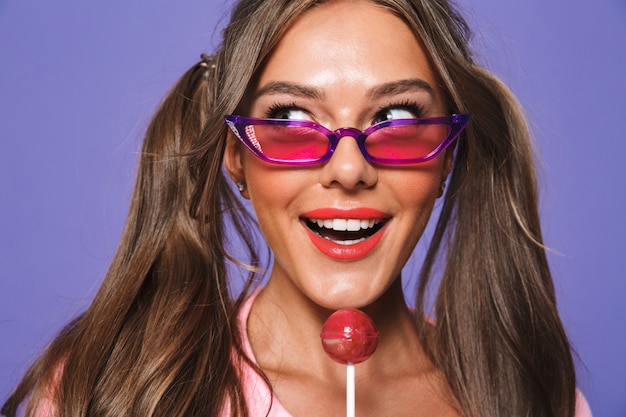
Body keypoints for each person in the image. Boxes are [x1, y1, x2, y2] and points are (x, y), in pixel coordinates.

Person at [2, 0, 592, 416]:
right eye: (288, 120)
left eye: (398, 120)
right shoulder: (117, 393)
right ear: (235, 156)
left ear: (446, 158)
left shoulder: (534, 396)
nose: (349, 168)